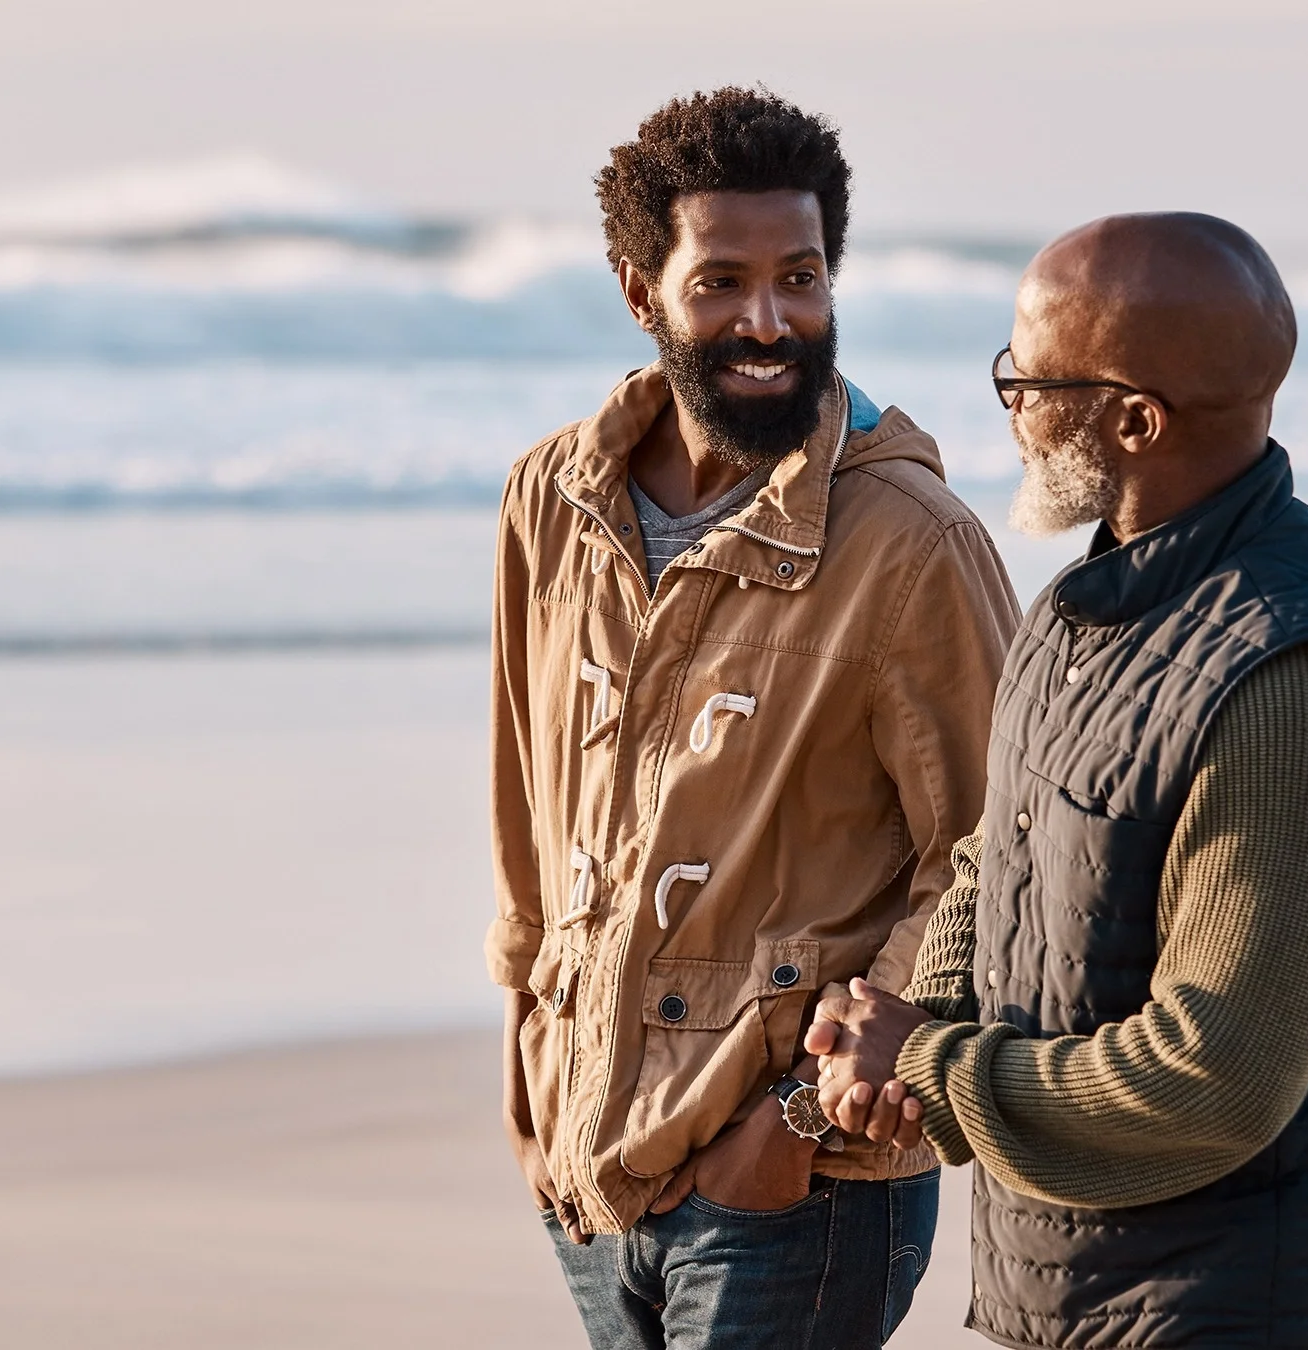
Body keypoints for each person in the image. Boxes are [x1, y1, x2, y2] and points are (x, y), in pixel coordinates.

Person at [806, 213, 1308, 1348]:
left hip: (1241, 1311)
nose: (1011, 411)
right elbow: (999, 859)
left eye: (1030, 380)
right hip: (1080, 1300)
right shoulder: (1080, 608)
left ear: (1136, 421)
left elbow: (1216, 1079)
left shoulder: (1292, 683)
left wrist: (933, 1069)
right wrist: (915, 1021)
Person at [484, 88, 1019, 1349]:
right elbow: (526, 787)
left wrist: (794, 1123)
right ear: (639, 290)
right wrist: (525, 1058)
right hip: (591, 1158)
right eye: (720, 281)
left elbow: (999, 855)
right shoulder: (552, 500)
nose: (768, 322)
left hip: (791, 1186)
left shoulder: (912, 545)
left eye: (802, 277)